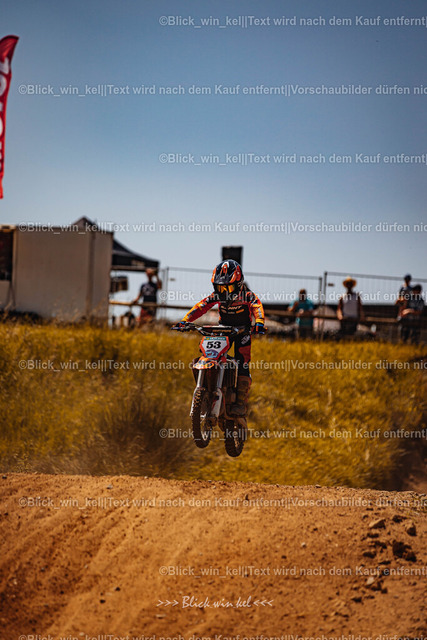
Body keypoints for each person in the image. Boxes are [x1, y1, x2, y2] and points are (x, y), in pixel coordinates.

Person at [174, 260, 265, 416]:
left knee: (242, 362)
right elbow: (201, 306)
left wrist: (259, 322)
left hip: (242, 331)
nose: (224, 291)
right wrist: (185, 320)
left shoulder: (247, 295)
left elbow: (257, 307)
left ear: (238, 283)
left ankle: (240, 402)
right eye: (220, 287)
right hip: (223, 329)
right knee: (209, 354)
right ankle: (207, 387)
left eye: (228, 287)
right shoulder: (217, 295)